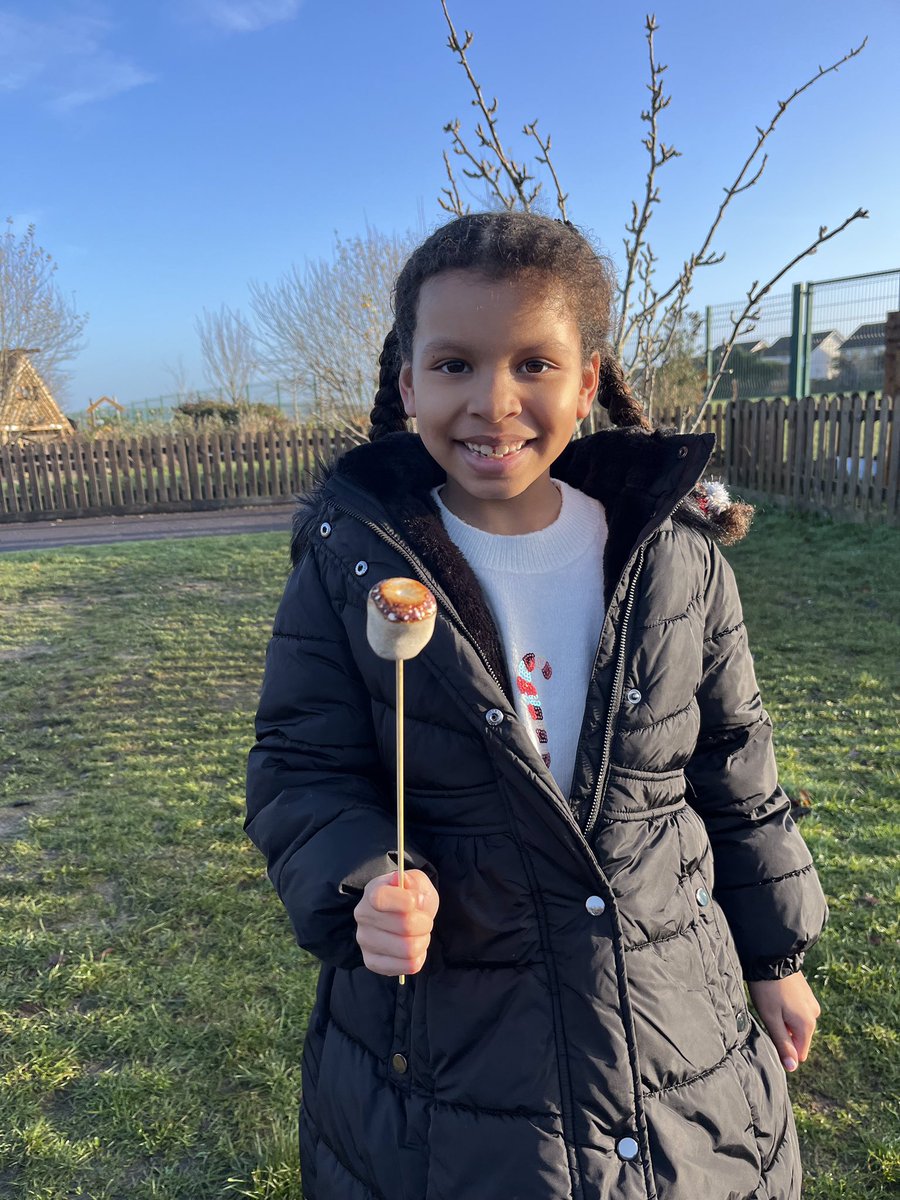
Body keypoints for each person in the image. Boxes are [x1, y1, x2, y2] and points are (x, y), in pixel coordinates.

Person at [245, 211, 827, 1200]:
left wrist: (773, 951)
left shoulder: (671, 557)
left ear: (588, 381)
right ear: (408, 384)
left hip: (677, 1027)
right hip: (449, 1060)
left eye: (533, 365)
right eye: (456, 365)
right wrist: (363, 872)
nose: (493, 402)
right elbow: (300, 767)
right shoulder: (351, 565)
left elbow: (733, 763)